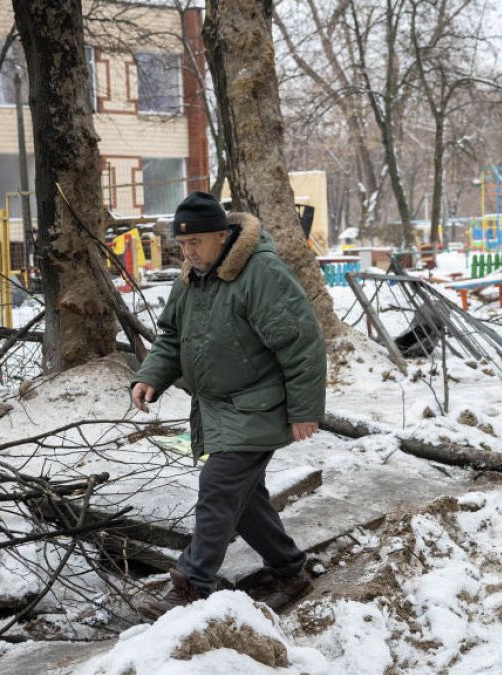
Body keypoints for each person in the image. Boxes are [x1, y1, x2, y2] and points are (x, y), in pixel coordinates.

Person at [129, 191, 326, 619]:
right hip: (218, 408)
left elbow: (301, 343)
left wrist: (304, 410)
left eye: (195, 242)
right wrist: (151, 376)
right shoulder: (193, 277)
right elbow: (172, 336)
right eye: (182, 244)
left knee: (218, 488)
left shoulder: (261, 273)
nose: (188, 252)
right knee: (244, 500)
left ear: (222, 235)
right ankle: (290, 572)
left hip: (260, 404)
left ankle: (190, 585)